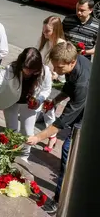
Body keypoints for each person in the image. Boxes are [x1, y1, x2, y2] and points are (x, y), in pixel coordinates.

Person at [27, 42, 91, 215]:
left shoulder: (82, 84)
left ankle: (59, 201)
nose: (56, 70)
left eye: (59, 67)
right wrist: (55, 101)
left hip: (87, 118)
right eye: (54, 65)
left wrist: (38, 137)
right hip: (82, 107)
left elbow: (62, 121)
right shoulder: (75, 64)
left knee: (68, 155)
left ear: (71, 62)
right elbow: (68, 88)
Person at [0, 48, 52, 161]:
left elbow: (46, 90)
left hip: (30, 104)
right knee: (12, 130)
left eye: (32, 70)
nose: (29, 72)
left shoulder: (45, 71)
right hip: (11, 100)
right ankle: (10, 156)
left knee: (28, 132)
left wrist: (39, 100)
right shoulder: (10, 69)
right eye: (26, 69)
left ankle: (23, 158)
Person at [37, 15, 66, 153]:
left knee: (49, 107)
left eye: (47, 31)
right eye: (43, 30)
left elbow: (65, 68)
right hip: (44, 79)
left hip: (57, 83)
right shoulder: (46, 41)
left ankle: (52, 136)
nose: (44, 33)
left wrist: (57, 74)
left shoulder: (61, 45)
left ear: (56, 30)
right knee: (42, 106)